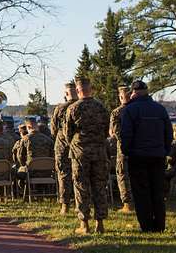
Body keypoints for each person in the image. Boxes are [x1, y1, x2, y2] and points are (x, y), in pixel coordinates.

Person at [119, 80, 172, 233]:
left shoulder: (129, 110)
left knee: (141, 193)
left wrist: (126, 151)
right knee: (157, 191)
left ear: (133, 92)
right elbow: (168, 133)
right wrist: (165, 150)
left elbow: (126, 134)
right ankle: (160, 225)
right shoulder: (160, 109)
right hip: (157, 155)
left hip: (138, 157)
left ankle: (147, 225)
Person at [64, 77, 110, 235]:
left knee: (81, 187)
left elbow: (67, 133)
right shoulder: (101, 107)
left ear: (78, 90)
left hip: (80, 153)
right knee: (99, 186)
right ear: (91, 89)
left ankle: (84, 224)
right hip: (99, 151)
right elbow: (106, 130)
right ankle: (100, 223)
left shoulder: (73, 108)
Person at [51, 81, 79, 215]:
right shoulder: (82, 106)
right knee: (80, 175)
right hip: (79, 145)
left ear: (66, 93)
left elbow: (53, 129)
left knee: (64, 175)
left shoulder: (60, 108)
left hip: (63, 145)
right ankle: (80, 204)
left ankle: (65, 205)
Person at [14, 116, 55, 195]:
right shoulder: (48, 140)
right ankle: (43, 192)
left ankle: (25, 194)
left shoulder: (24, 140)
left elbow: (20, 157)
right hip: (47, 172)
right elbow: (52, 156)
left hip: (31, 172)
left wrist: (24, 165)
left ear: (28, 127)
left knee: (17, 173)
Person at [110, 86, 134, 213]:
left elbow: (114, 133)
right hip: (139, 147)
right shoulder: (138, 109)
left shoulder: (117, 112)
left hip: (124, 148)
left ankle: (127, 203)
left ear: (120, 97)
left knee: (123, 175)